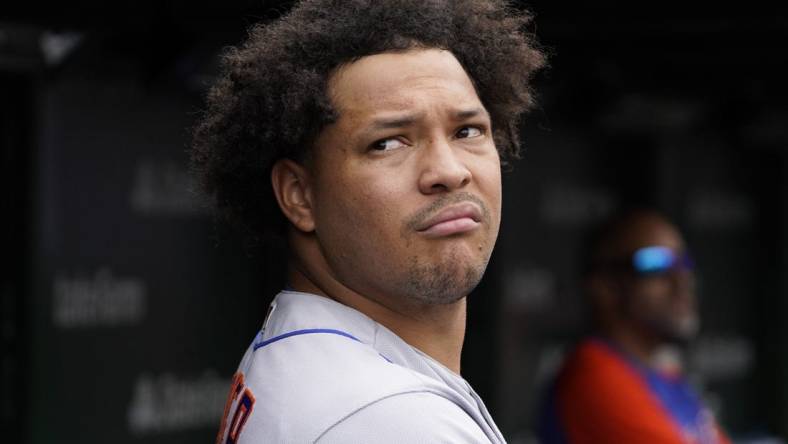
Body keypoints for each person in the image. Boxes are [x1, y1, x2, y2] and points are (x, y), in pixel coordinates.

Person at [190, 0, 545, 442]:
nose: (450, 171)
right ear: (299, 195)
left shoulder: (320, 360)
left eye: (467, 131)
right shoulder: (388, 418)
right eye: (388, 143)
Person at [538, 209, 731, 444]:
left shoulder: (665, 373)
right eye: (657, 264)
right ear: (605, 287)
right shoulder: (596, 376)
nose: (682, 280)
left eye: (684, 263)